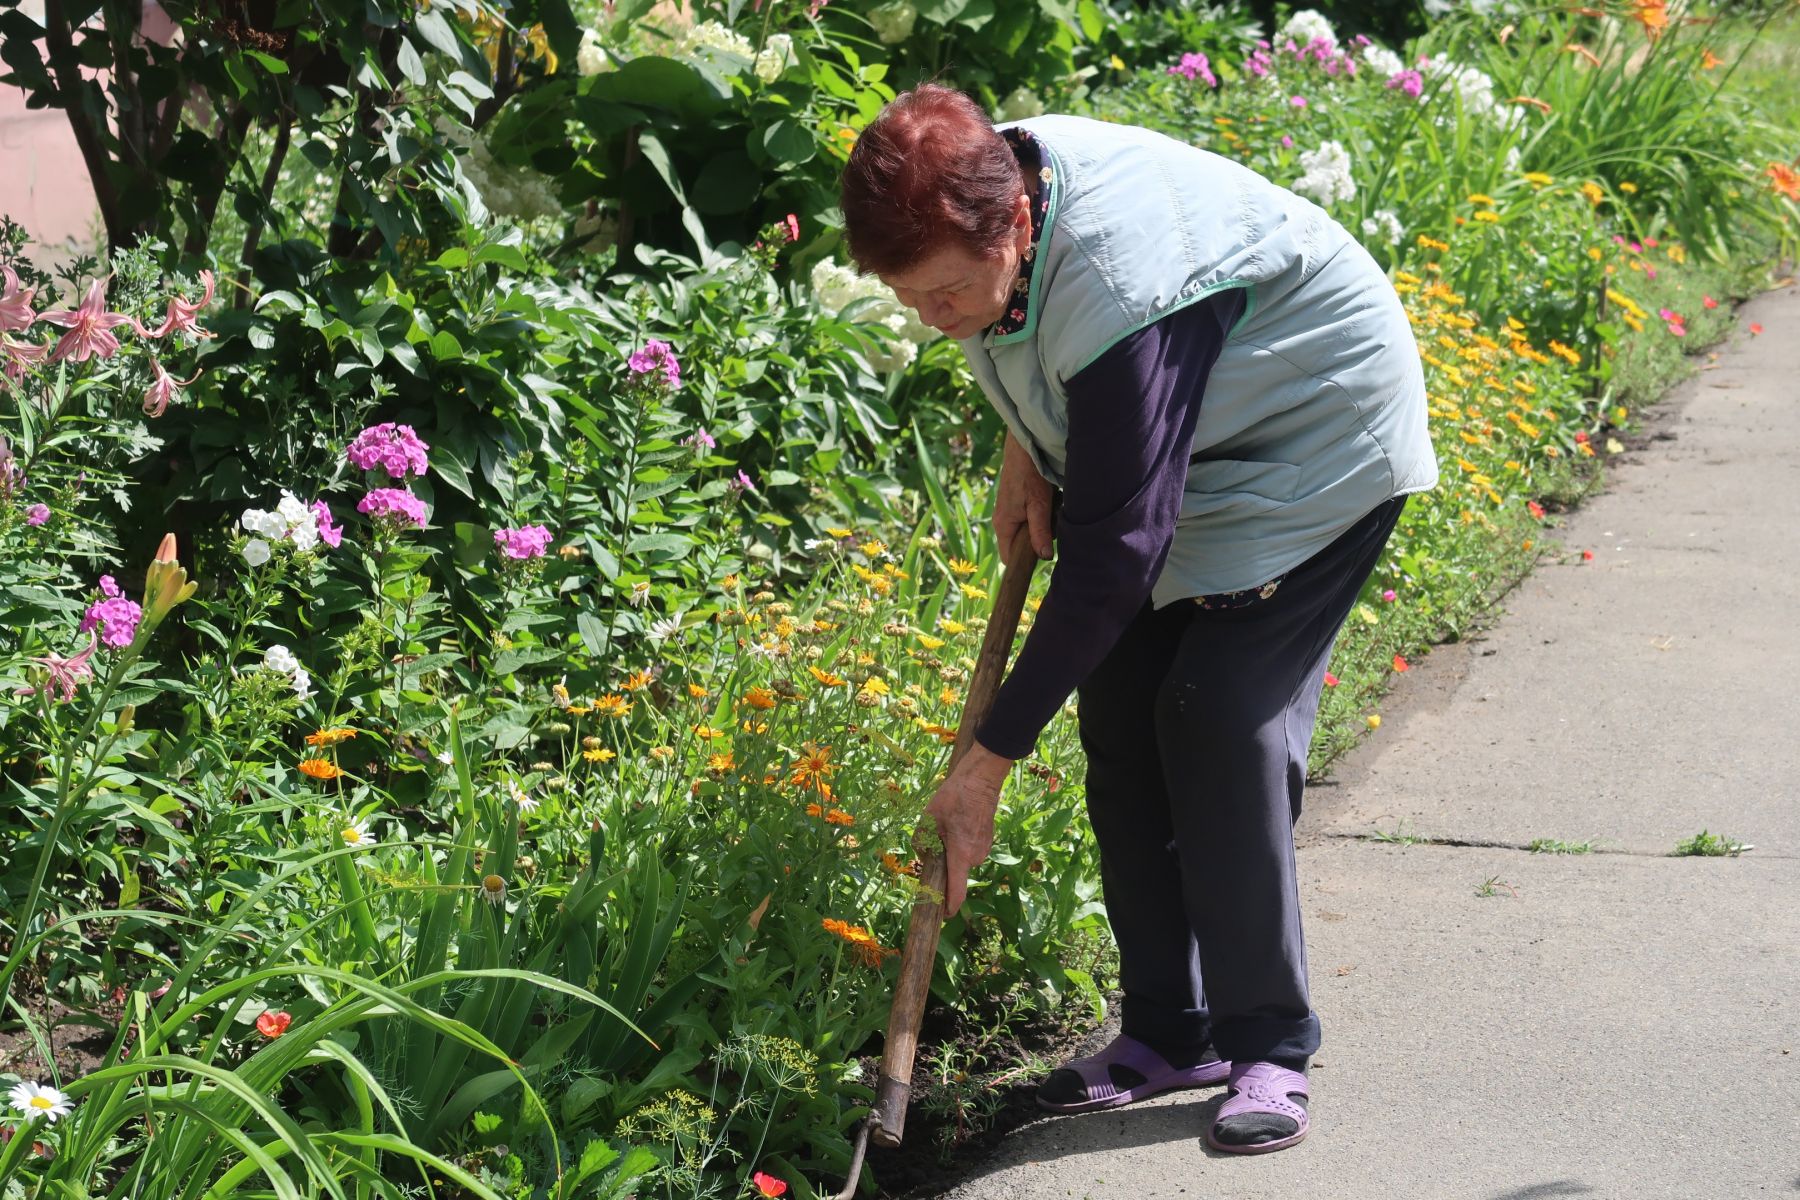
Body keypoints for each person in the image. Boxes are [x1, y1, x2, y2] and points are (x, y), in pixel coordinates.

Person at [838, 83, 1437, 1154]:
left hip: (1315, 439)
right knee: (1118, 713)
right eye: (908, 300)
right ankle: (1171, 1030)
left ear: (1014, 221)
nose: (931, 319)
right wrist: (1031, 443)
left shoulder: (1119, 275)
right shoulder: (991, 202)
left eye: (939, 294)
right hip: (1195, 439)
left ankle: (1269, 1043)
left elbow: (1117, 556)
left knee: (1215, 716)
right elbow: (1031, 334)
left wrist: (982, 766)